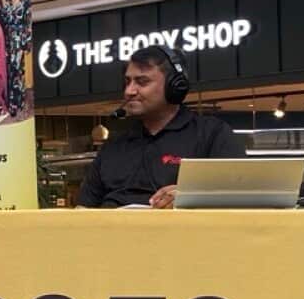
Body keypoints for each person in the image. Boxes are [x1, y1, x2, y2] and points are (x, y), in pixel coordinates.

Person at [78, 45, 247, 209]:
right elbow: (83, 208)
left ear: (174, 86)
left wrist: (190, 198)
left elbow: (239, 197)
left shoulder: (212, 134)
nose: (129, 91)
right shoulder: (114, 145)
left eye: (142, 82)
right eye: (127, 81)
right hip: (110, 233)